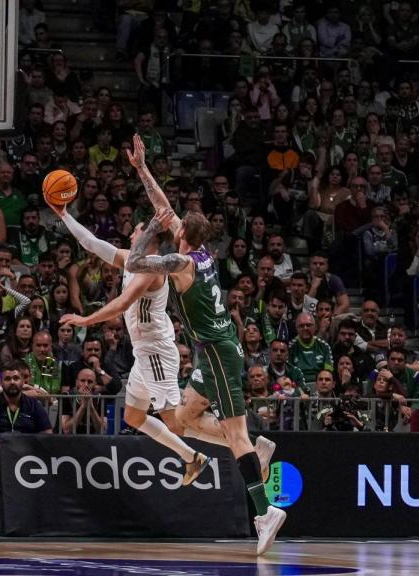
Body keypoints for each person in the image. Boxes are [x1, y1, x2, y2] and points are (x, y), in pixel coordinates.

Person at [126, 134, 286, 555]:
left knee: (234, 436)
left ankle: (264, 512)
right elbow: (165, 207)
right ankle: (258, 446)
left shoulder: (179, 263)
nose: (171, 225)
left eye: (174, 227)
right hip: (213, 349)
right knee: (186, 420)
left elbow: (134, 262)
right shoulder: (203, 254)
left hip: (216, 352)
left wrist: (146, 235)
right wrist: (142, 169)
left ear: (181, 237)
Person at [55, 203, 211, 481]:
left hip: (156, 352)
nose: (129, 236)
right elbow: (90, 243)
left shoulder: (151, 270)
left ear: (148, 237)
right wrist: (64, 214)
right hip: (144, 353)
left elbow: (122, 303)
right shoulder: (131, 259)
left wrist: (85, 320)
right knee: (134, 417)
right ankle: (192, 457)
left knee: (177, 422)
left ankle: (240, 441)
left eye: (135, 231)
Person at [0, 362, 52, 527]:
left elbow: (47, 434)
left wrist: (29, 452)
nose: (12, 382)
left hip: (28, 456)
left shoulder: (34, 406)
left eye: (16, 378)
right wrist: (2, 452)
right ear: (2, 383)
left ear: (23, 381)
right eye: (8, 379)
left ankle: (37, 516)